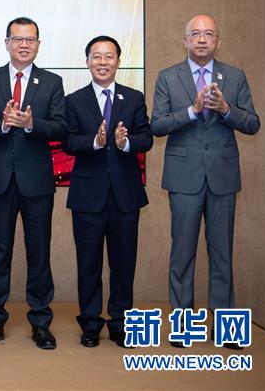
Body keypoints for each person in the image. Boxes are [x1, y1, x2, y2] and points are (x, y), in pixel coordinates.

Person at [151, 14, 259, 350]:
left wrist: (226, 109)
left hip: (223, 178)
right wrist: (193, 110)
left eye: (208, 34)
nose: (201, 39)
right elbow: (157, 125)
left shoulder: (235, 76)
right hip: (183, 178)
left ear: (218, 41)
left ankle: (226, 328)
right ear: (184, 41)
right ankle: (183, 326)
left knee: (222, 255)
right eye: (195, 34)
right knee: (182, 254)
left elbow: (252, 124)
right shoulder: (168, 77)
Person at [0, 17, 67, 350]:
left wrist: (30, 124)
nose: (24, 45)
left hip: (36, 181)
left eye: (30, 40)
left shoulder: (52, 82)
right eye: (17, 39)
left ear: (38, 44)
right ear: (7, 43)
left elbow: (60, 128)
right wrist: (2, 124)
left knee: (39, 253)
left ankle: (41, 322)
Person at [63, 35, 152, 348]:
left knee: (123, 264)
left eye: (109, 56)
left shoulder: (134, 98)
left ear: (118, 61)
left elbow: (146, 138)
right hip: (88, 195)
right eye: (97, 56)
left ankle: (121, 323)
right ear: (88, 61)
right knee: (88, 263)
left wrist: (125, 142)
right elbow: (68, 142)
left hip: (125, 195)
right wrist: (95, 142)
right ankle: (90, 324)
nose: (103, 62)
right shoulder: (74, 100)